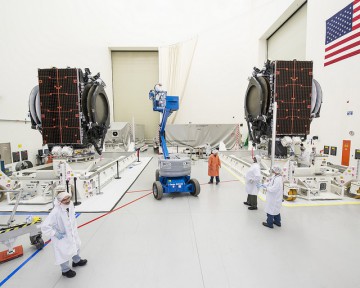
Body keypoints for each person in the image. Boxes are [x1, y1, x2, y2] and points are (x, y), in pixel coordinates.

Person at [41, 187, 87, 278]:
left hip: (72, 233)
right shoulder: (55, 212)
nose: (67, 200)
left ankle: (76, 261)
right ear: (59, 201)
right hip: (61, 236)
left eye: (68, 198)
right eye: (64, 199)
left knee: (76, 246)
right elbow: (45, 226)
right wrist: (55, 233)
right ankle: (65, 270)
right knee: (63, 253)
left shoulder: (70, 205)